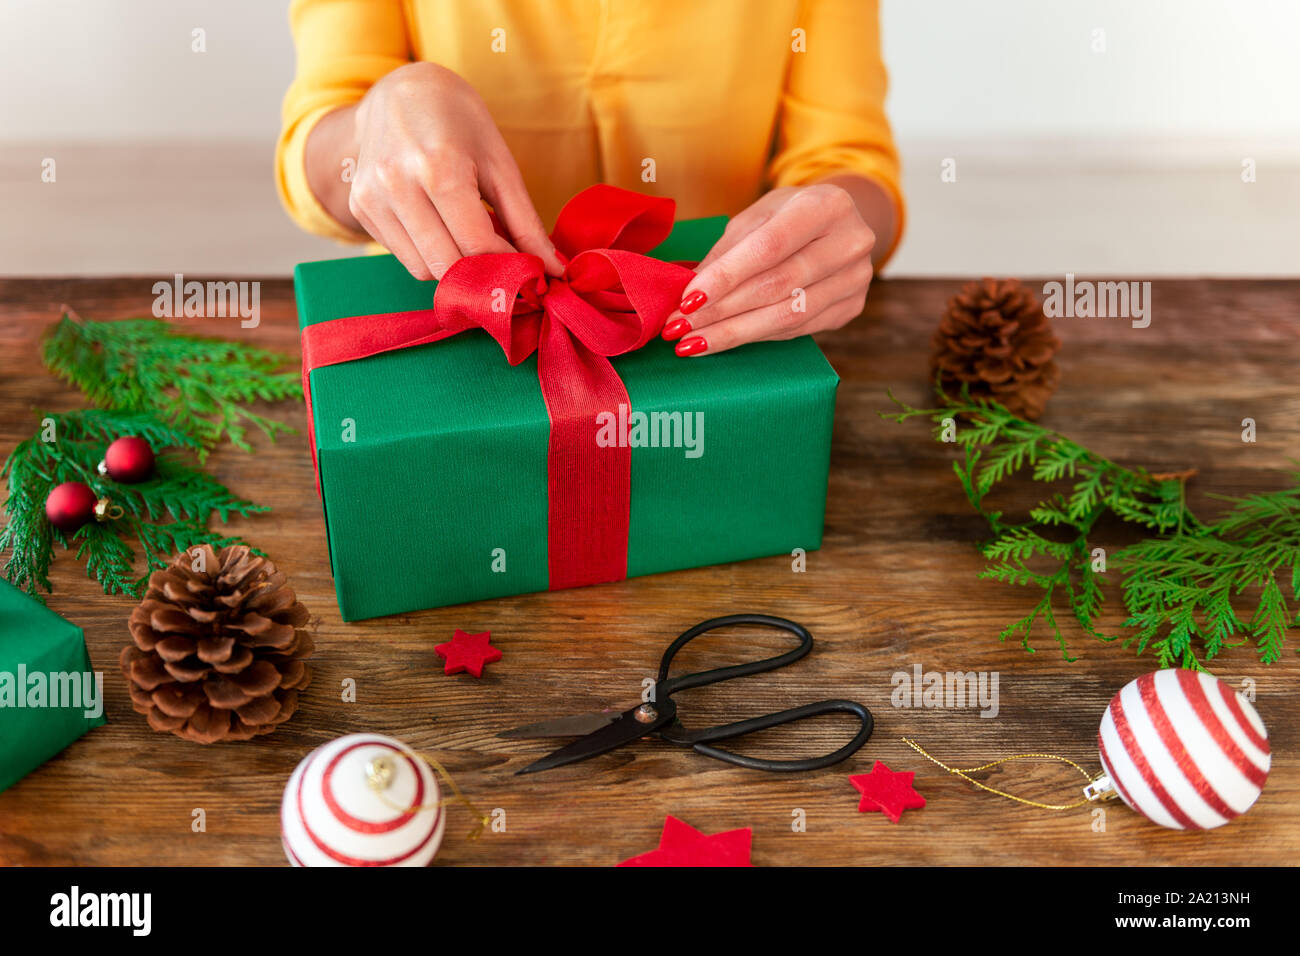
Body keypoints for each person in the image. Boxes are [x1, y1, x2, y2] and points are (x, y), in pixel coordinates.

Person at [277, 0, 903, 357]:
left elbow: (850, 163)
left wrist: (834, 219)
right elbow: (314, 163)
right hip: (439, 319)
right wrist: (380, 114)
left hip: (722, 323)